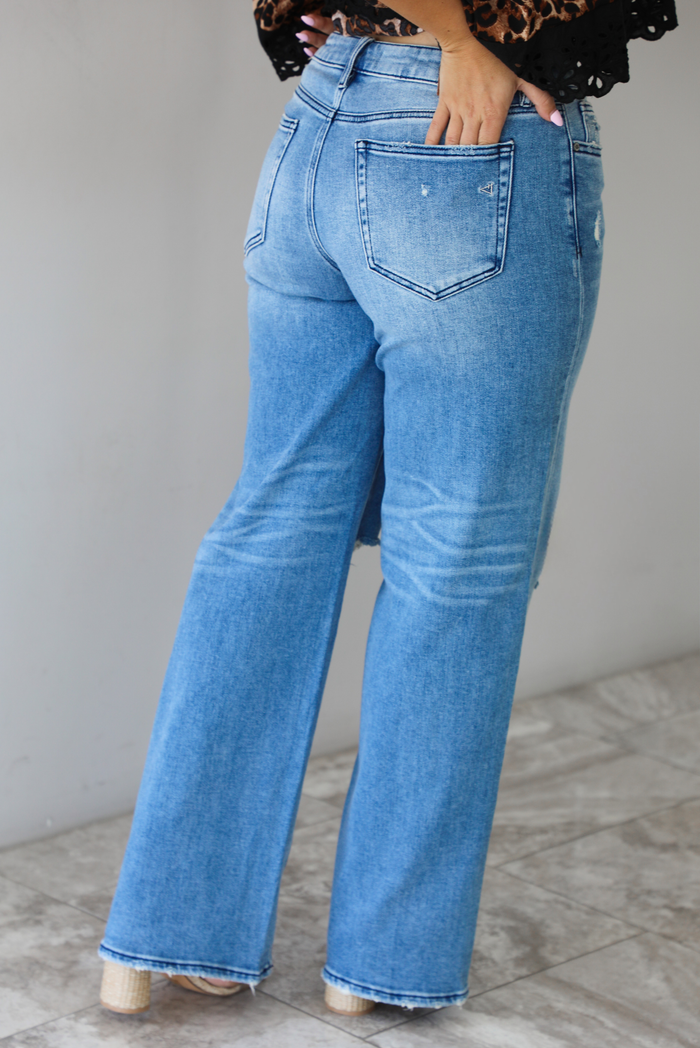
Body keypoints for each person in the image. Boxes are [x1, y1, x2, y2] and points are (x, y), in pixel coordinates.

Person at [98, 0, 678, 1018]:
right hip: (461, 138)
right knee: (459, 557)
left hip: (327, 123)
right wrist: (457, 40)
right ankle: (378, 963)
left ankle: (160, 936)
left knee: (269, 535)